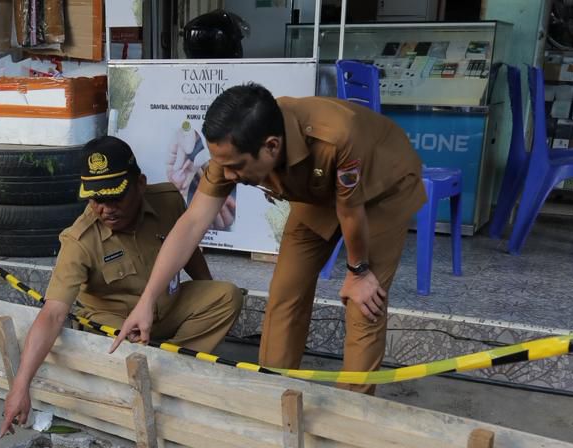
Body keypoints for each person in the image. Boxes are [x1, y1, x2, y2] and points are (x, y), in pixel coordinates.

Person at [112, 83, 425, 395]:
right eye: (223, 165)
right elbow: (192, 223)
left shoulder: (336, 136)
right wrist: (148, 299)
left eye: (236, 168)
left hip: (380, 190)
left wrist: (358, 272)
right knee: (286, 292)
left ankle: (353, 413)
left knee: (364, 304)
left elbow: (351, 211)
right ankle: (272, 394)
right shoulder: (232, 151)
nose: (229, 176)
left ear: (272, 147)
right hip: (315, 194)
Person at [0, 136, 243, 436]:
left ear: (140, 183)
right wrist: (20, 387)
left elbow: (188, 251)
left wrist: (205, 295)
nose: (106, 209)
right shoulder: (78, 240)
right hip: (121, 330)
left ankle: (169, 372)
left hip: (168, 309)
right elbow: (52, 315)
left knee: (226, 297)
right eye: (96, 199)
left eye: (115, 196)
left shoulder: (168, 200)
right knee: (126, 347)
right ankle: (169, 377)